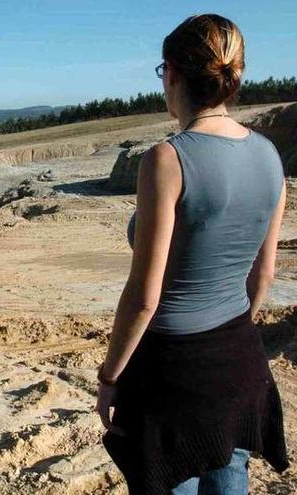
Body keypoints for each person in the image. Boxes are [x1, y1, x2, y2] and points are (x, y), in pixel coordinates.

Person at [95, 13, 290, 495]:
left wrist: (109, 375)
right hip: (239, 360)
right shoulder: (269, 155)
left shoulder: (167, 158)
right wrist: (228, 336)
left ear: (173, 73)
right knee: (229, 479)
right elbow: (263, 275)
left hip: (171, 374)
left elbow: (144, 296)